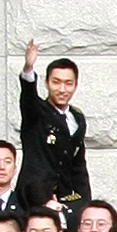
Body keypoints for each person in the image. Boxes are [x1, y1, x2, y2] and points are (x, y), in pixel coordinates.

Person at [19, 42, 91, 211]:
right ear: (47, 83)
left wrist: (84, 200)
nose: (62, 89)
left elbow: (78, 164)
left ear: (75, 85)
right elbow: (28, 99)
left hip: (66, 197)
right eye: (56, 82)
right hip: (35, 198)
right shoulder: (37, 112)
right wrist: (28, 69)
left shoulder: (77, 118)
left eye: (68, 83)